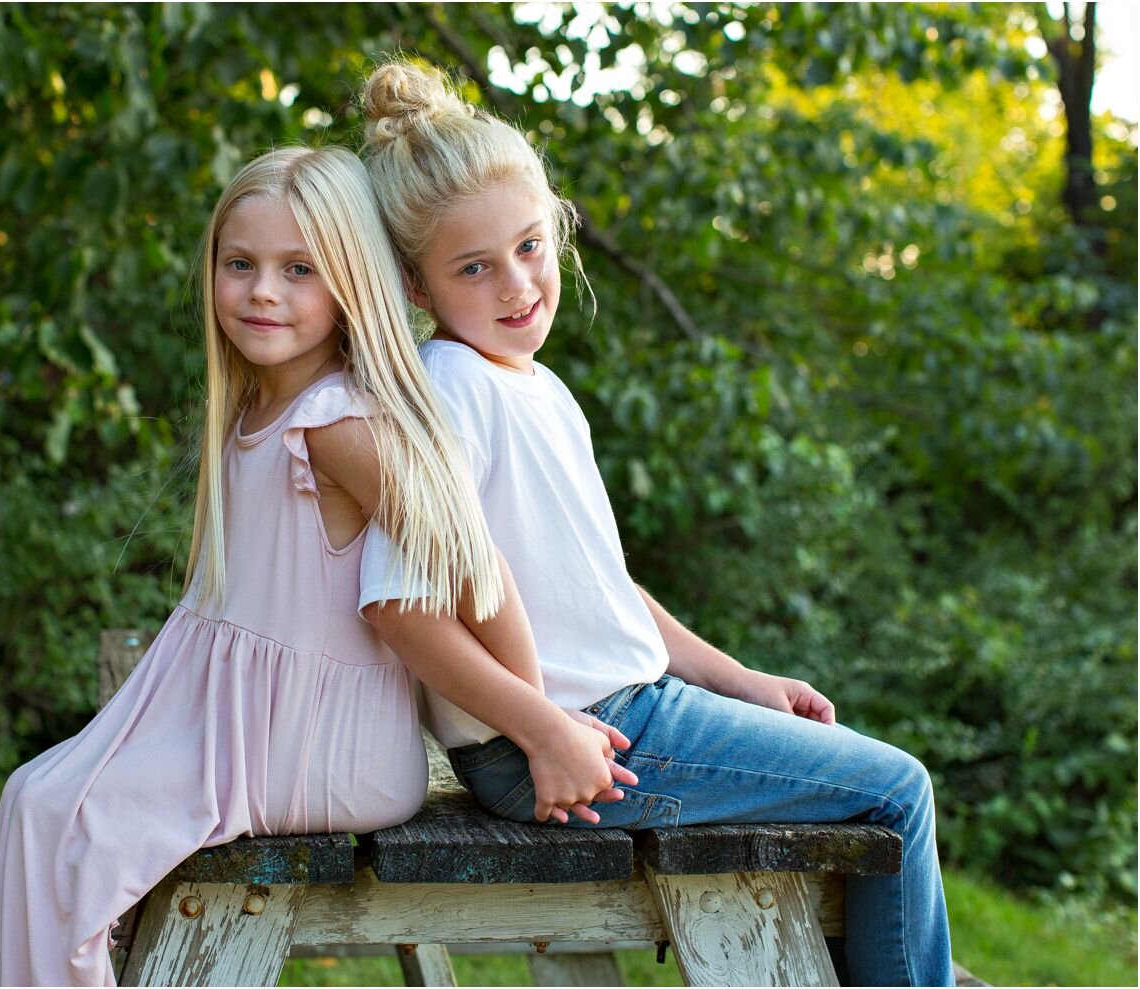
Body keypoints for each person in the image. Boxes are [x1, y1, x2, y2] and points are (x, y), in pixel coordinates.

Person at [0, 144, 629, 986]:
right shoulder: (253, 407)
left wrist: (539, 724)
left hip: (323, 744)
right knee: (32, 798)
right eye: (240, 264)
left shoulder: (338, 423)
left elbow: (474, 563)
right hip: (241, 722)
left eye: (299, 269)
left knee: (70, 818)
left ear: (351, 281)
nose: (262, 291)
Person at [355, 59, 955, 988]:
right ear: (418, 285)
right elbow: (402, 612)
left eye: (529, 246)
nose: (517, 284)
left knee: (862, 799)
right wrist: (546, 729)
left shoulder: (536, 388)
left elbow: (604, 592)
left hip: (618, 716)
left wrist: (740, 678)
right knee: (893, 792)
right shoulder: (450, 390)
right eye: (475, 267)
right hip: (569, 739)